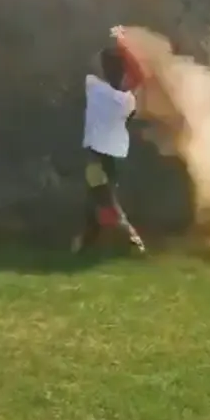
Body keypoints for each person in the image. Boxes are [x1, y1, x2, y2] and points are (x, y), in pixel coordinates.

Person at [72, 27, 147, 255]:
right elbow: (138, 76)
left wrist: (118, 40)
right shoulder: (126, 101)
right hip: (114, 158)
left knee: (106, 204)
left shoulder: (93, 87)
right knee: (94, 201)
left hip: (97, 158)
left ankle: (132, 241)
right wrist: (125, 46)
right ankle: (85, 244)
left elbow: (93, 64)